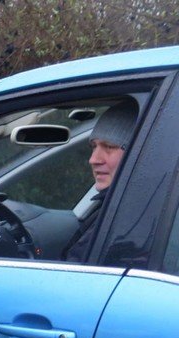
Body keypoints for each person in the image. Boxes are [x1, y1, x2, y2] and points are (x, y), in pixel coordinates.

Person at [63, 98, 138, 262]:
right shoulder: (114, 204)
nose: (93, 159)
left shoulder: (131, 220)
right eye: (93, 146)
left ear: (136, 152)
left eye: (109, 146)